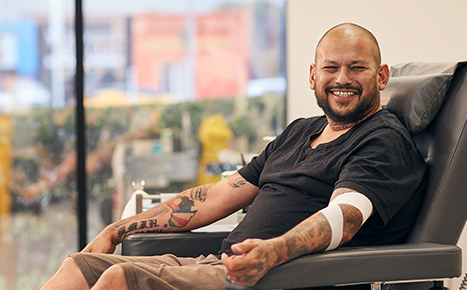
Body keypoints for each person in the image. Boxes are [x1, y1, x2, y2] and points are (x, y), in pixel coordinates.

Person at [40, 22, 426, 290]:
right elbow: (217, 196)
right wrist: (116, 230)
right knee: (80, 268)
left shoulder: (383, 140)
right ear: (313, 76)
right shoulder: (299, 131)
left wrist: (274, 251)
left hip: (286, 276)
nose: (342, 78)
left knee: (119, 282)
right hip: (219, 265)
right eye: (331, 67)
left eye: (356, 67)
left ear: (382, 76)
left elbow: (346, 216)